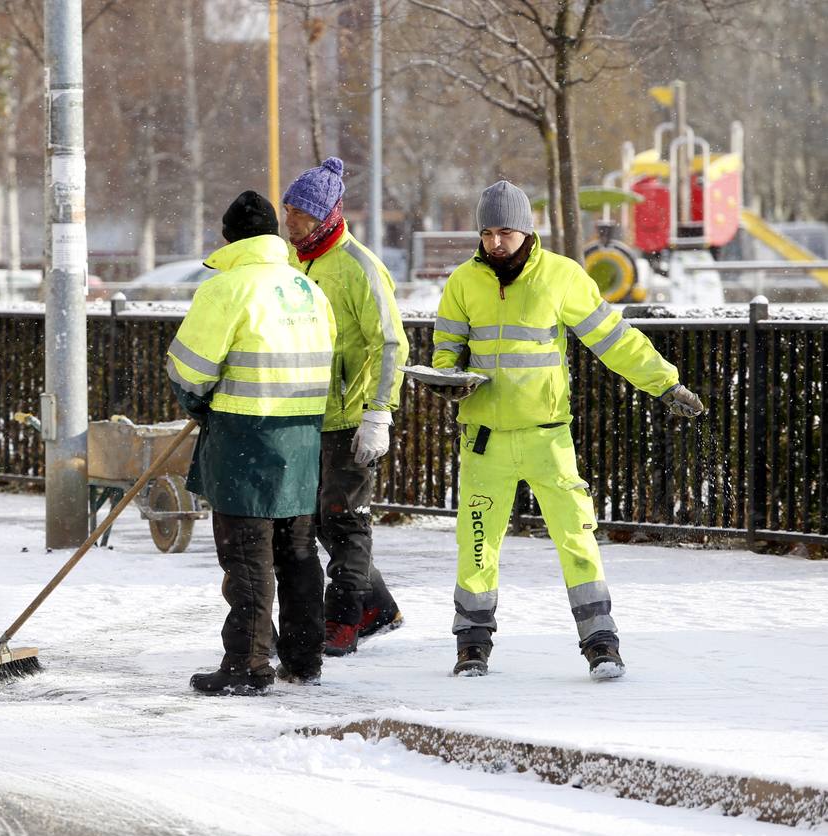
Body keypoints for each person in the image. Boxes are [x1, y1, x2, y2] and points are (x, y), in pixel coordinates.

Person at [430, 180, 706, 679]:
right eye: (488, 232)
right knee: (476, 546)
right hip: (484, 440)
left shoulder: (562, 277)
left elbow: (614, 340)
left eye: (506, 232)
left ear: (527, 230)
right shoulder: (461, 283)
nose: (495, 242)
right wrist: (446, 379)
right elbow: (445, 353)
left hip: (547, 436)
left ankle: (601, 643)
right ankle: (471, 646)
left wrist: (666, 385)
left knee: (577, 540)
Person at [166, 190, 337, 695]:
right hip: (302, 440)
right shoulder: (307, 288)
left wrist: (198, 403)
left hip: (245, 437)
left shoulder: (227, 289)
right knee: (298, 553)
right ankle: (305, 660)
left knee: (247, 558)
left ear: (228, 238)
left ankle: (247, 664)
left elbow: (189, 368)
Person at [282, 157, 409, 657]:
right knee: (313, 522)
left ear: (326, 216)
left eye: (299, 213)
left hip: (349, 419)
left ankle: (344, 621)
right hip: (303, 418)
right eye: (287, 210)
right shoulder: (292, 263)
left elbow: (390, 344)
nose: (289, 221)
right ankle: (378, 607)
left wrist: (379, 413)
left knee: (345, 521)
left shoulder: (359, 267)